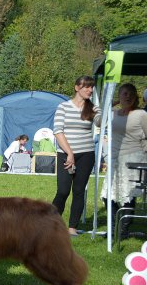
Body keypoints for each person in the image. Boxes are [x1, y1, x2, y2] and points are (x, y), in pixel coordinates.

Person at [52, 75, 101, 237]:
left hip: (87, 154)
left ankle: (72, 227)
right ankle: (50, 223)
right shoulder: (63, 107)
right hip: (65, 154)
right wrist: (70, 153)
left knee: (79, 191)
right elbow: (58, 131)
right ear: (77, 88)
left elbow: (100, 122)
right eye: (86, 86)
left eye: (91, 87)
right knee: (63, 191)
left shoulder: (93, 108)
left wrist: (106, 110)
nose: (90, 90)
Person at [103, 83, 147, 239]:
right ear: (119, 95)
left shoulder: (141, 114)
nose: (128, 96)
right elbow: (97, 121)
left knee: (128, 194)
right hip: (115, 158)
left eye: (131, 94)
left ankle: (122, 230)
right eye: (124, 93)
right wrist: (111, 103)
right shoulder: (113, 114)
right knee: (107, 195)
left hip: (134, 157)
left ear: (135, 97)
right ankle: (114, 227)